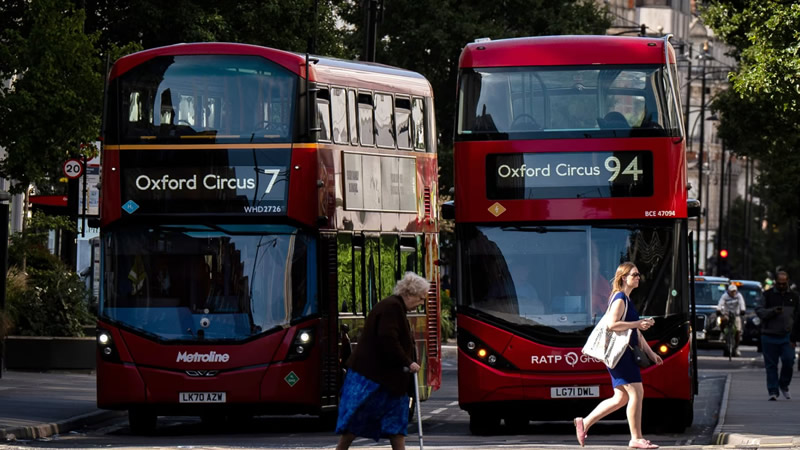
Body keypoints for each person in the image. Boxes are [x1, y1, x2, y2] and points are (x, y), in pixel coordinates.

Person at [335, 272, 430, 450]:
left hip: (385, 379)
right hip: (373, 379)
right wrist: (408, 362)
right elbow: (388, 338)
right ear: (409, 294)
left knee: (394, 422)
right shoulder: (392, 308)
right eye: (420, 298)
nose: (421, 303)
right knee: (359, 418)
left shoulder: (395, 307)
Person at [573, 262, 662, 449]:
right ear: (624, 278)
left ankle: (585, 422)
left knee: (620, 398)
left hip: (625, 354)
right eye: (635, 274)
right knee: (637, 392)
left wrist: (651, 353)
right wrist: (637, 324)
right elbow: (612, 325)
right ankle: (636, 438)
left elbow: (635, 332)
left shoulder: (627, 300)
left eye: (638, 274)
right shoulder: (620, 298)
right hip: (621, 356)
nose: (638, 277)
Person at [756, 270, 800, 400]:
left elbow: (798, 317)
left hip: (787, 335)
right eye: (779, 284)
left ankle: (784, 384)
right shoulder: (767, 295)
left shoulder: (794, 296)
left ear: (787, 282)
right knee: (771, 365)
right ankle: (773, 390)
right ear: (775, 282)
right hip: (769, 335)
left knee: (789, 360)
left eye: (784, 283)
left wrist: (795, 336)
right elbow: (759, 311)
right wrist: (772, 312)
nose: (781, 286)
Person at [717, 284, 746, 356]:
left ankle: (736, 347)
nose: (733, 293)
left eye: (734, 291)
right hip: (727, 313)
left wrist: (742, 310)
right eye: (732, 292)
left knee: (738, 331)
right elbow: (720, 303)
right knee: (722, 320)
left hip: (736, 314)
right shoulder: (725, 296)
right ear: (729, 291)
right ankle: (723, 332)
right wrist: (719, 309)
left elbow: (742, 303)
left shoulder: (739, 296)